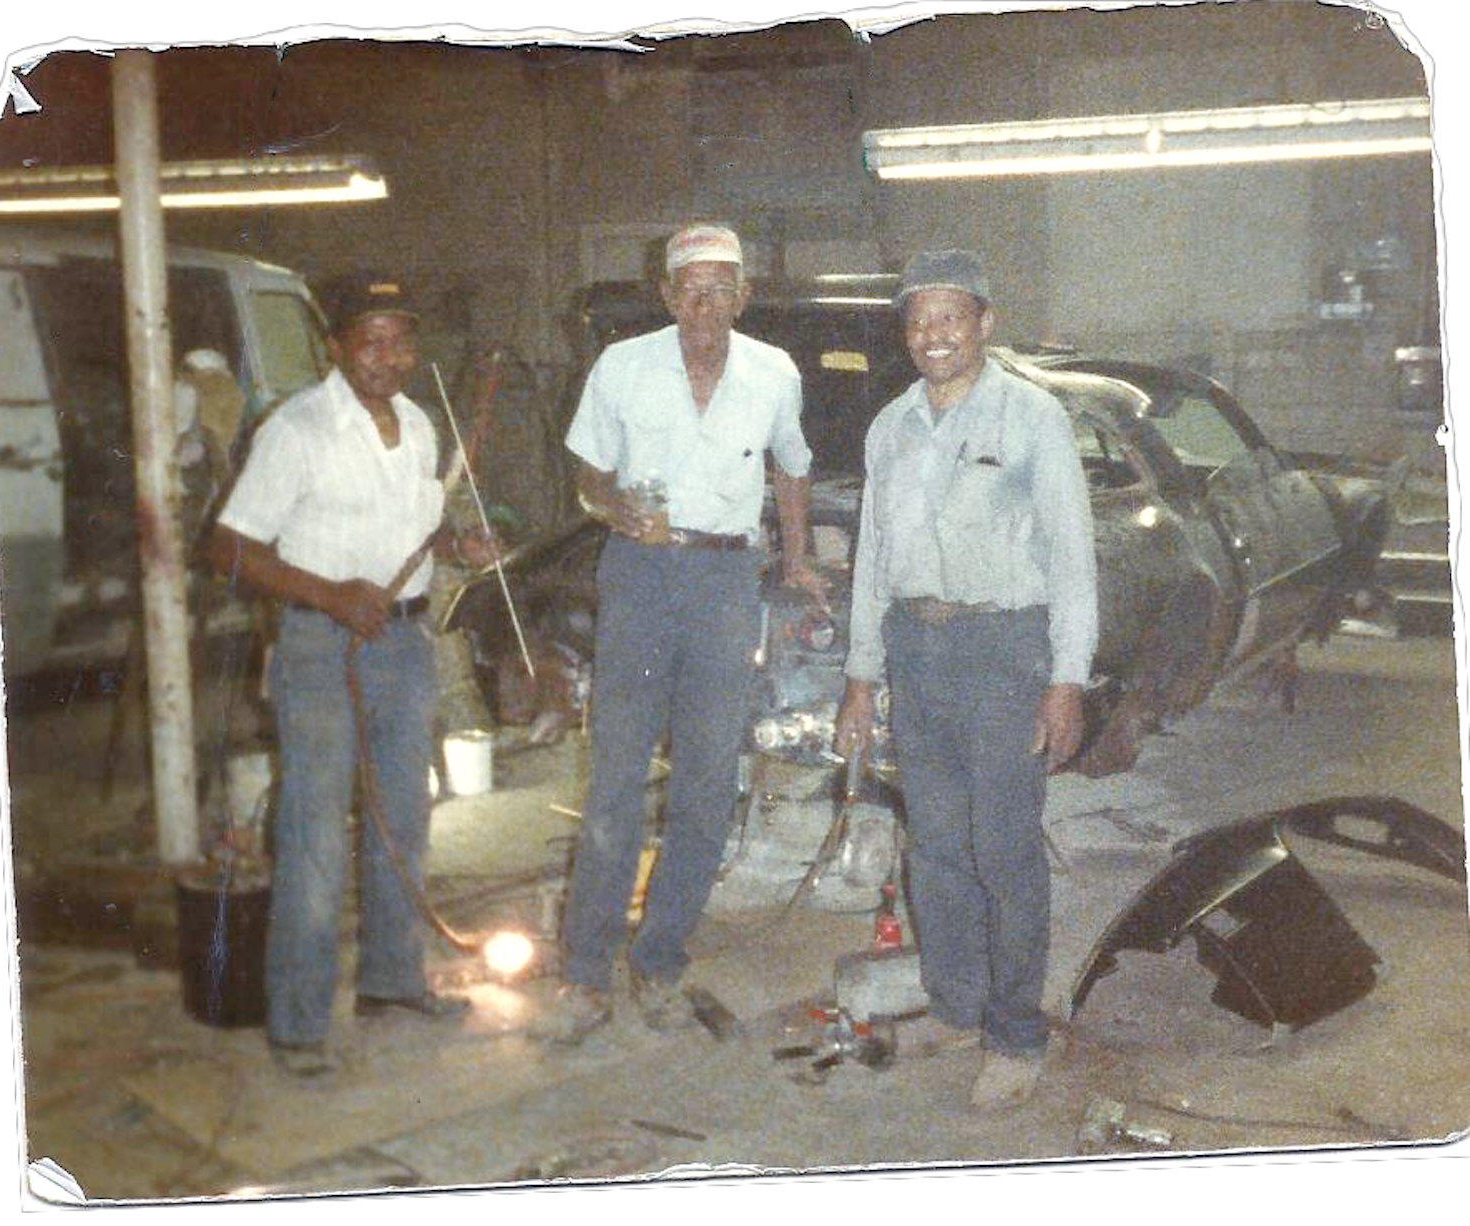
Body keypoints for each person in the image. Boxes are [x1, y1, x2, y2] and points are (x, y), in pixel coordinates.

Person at [536, 222, 827, 1044]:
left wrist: (797, 557)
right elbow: (589, 472)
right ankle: (586, 974)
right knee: (617, 776)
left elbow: (793, 466)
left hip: (725, 578)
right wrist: (608, 505)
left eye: (721, 288)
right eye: (689, 288)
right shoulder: (622, 366)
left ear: (744, 296)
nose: (704, 303)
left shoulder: (774, 372)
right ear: (667, 296)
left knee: (708, 779)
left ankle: (658, 956)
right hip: (638, 574)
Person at [208, 273, 497, 1077]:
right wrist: (330, 595)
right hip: (318, 646)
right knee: (312, 839)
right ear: (334, 347)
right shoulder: (297, 428)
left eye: (401, 339)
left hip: (405, 645)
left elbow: (413, 528)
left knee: (403, 822)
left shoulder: (418, 424)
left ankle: (392, 984)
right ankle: (299, 1025)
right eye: (370, 339)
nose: (390, 357)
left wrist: (455, 548)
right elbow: (228, 547)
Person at [833, 249, 1097, 1110]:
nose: (932, 335)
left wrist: (1067, 680)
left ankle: (1017, 1035)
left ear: (984, 322)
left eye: (950, 317)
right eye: (917, 320)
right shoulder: (890, 427)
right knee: (937, 846)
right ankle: (957, 1006)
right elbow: (873, 557)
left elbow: (1071, 558)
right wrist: (861, 675)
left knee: (1004, 850)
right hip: (917, 649)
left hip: (1004, 652)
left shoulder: (1032, 418)